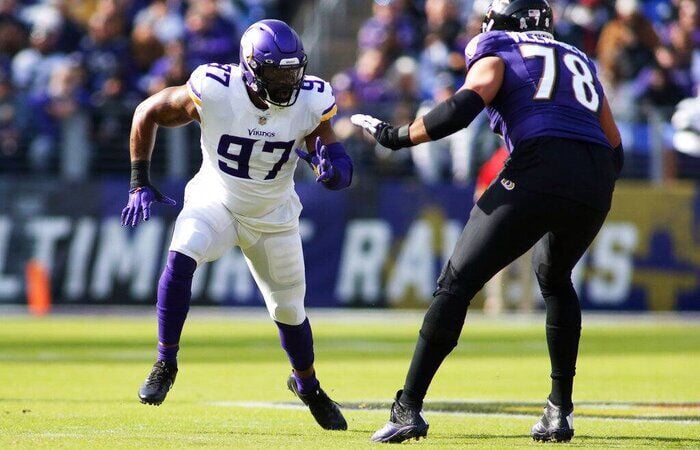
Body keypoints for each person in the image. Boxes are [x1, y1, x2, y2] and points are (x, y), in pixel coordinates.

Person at [352, 0, 623, 443]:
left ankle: (408, 409)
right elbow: (613, 141)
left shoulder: (500, 48)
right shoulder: (577, 58)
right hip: (596, 174)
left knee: (456, 283)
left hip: (540, 162)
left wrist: (398, 136)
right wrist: (588, 185)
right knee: (555, 279)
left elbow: (463, 107)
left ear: (505, 22)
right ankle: (560, 411)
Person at [121, 19, 351, 431]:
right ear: (250, 69)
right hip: (218, 199)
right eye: (277, 74)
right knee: (182, 253)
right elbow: (147, 112)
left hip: (274, 215)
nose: (288, 83)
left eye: (292, 72)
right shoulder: (214, 90)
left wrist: (333, 169)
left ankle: (307, 385)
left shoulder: (311, 100)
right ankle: (165, 362)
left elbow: (337, 157)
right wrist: (139, 181)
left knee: (289, 309)